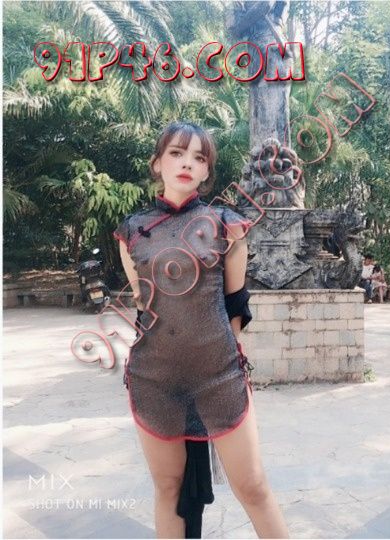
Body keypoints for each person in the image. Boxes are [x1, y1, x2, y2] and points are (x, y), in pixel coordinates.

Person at [113, 121, 289, 539]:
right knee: (169, 489)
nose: (187, 163)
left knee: (253, 486)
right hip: (155, 377)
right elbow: (143, 306)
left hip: (218, 375)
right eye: (176, 153)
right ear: (157, 163)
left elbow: (235, 305)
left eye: (198, 157)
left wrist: (231, 359)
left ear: (207, 170)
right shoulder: (131, 232)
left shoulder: (227, 225)